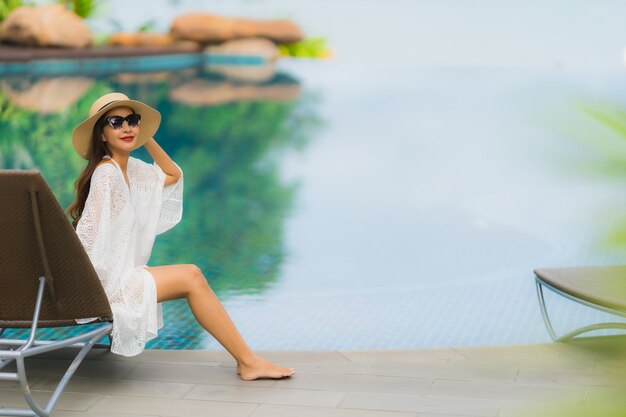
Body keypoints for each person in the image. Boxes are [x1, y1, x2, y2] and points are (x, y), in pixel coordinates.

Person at [66, 92, 294, 380]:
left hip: (123, 275)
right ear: (101, 134)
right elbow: (88, 235)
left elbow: (172, 174)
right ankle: (248, 362)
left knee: (192, 276)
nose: (127, 128)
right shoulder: (107, 175)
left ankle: (248, 361)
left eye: (132, 121)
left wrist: (145, 135)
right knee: (192, 276)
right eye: (116, 122)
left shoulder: (132, 169)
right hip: (108, 284)